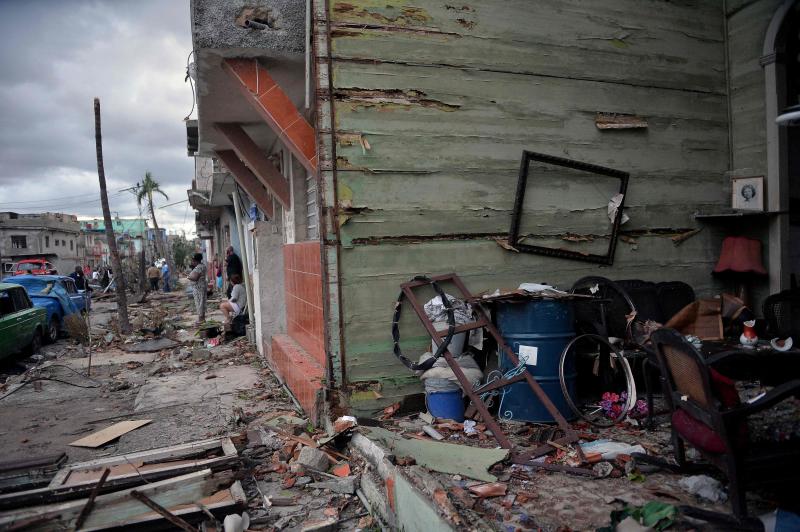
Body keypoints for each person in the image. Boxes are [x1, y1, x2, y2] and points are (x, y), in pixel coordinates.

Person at [188, 253, 207, 325]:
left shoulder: (199, 267)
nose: (192, 262)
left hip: (198, 288)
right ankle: (202, 319)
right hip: (201, 287)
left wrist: (188, 277)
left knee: (199, 303)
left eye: (192, 260)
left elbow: (195, 278)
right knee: (201, 303)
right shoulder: (202, 266)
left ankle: (201, 319)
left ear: (195, 260)